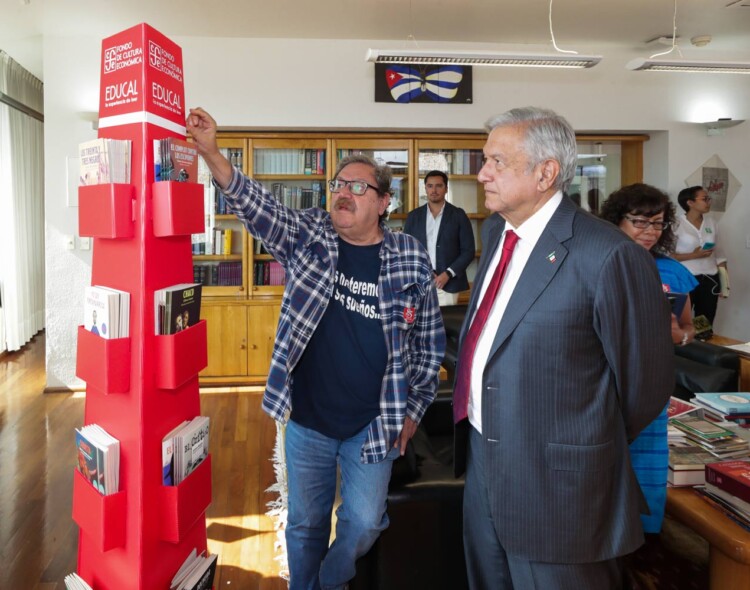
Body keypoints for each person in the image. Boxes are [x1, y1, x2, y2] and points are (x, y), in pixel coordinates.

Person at [186, 107, 445, 590]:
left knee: (366, 522)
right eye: (338, 185)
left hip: (377, 422)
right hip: (308, 420)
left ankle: (329, 580)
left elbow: (429, 345)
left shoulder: (409, 255)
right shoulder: (310, 235)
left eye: (357, 186)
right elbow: (256, 205)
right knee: (305, 524)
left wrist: (413, 412)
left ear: (385, 202)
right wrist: (212, 154)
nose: (342, 193)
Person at [453, 107, 674, 590]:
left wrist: (578, 445)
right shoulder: (495, 232)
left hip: (561, 486)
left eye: (496, 162)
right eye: (483, 159)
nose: (482, 173)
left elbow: (645, 384)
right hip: (484, 459)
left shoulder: (609, 255)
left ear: (545, 173)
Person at [600, 182, 698, 535]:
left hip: (652, 386)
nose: (649, 232)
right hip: (605, 385)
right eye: (639, 222)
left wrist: (680, 335)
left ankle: (644, 537)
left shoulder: (671, 272)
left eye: (657, 224)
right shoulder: (599, 263)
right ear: (616, 221)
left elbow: (690, 328)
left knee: (647, 466)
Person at [403, 170, 474, 306]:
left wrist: (447, 274)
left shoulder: (458, 215)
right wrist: (425, 272)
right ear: (425, 188)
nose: (434, 190)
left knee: (447, 326)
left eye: (438, 186)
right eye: (430, 186)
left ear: (446, 188)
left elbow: (468, 251)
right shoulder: (414, 216)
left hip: (449, 284)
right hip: (420, 282)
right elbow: (407, 251)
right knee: (420, 326)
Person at [672, 186, 728, 326]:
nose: (709, 202)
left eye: (709, 198)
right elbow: (668, 256)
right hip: (684, 279)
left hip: (709, 280)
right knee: (679, 322)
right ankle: (681, 348)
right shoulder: (676, 224)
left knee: (704, 323)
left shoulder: (711, 223)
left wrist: (725, 283)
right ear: (690, 203)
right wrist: (694, 255)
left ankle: (703, 344)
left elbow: (720, 255)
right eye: (704, 199)